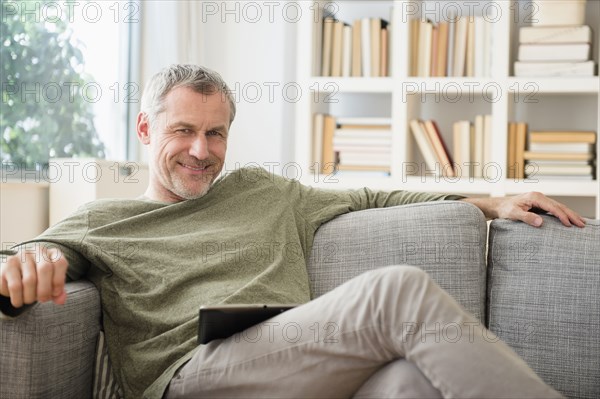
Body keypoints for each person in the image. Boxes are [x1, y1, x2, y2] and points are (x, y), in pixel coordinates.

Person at [0, 65, 584, 399]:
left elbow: (375, 196)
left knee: (408, 383)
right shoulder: (103, 221)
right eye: (184, 131)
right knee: (396, 292)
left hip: (286, 366)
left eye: (216, 134)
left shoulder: (266, 191)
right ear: (146, 129)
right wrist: (21, 265)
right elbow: (23, 255)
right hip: (187, 378)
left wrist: (490, 202)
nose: (201, 152)